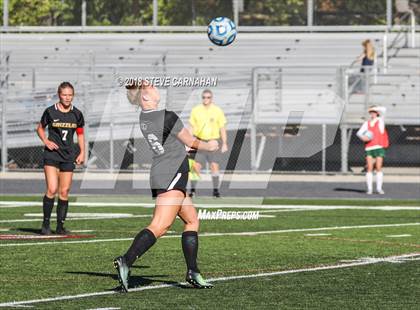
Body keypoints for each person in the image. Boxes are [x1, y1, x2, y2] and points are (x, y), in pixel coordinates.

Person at [113, 81, 218, 292]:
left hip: (166, 171)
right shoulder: (167, 116)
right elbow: (192, 142)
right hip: (171, 173)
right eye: (149, 88)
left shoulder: (146, 117)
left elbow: (176, 142)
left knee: (191, 220)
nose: (154, 88)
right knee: (160, 226)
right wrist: (210, 145)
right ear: (145, 98)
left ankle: (193, 271)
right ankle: (126, 260)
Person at [36, 82, 85, 235]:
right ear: (59, 95)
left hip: (68, 155)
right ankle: (45, 224)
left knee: (64, 192)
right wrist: (46, 141)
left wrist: (82, 152)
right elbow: (40, 128)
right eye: (64, 94)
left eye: (70, 95)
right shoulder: (50, 111)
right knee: (52, 189)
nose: (67, 98)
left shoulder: (77, 114)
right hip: (52, 154)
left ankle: (60, 226)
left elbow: (80, 134)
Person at [188, 89, 228, 198]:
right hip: (199, 142)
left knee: (214, 166)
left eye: (208, 97)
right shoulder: (196, 110)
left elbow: (222, 128)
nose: (206, 99)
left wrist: (224, 143)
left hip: (213, 143)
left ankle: (216, 191)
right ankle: (192, 191)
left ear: (212, 98)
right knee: (196, 167)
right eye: (204, 97)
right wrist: (189, 142)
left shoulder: (217, 111)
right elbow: (191, 127)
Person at [356, 106, 389, 195]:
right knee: (369, 168)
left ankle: (379, 188)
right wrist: (363, 137)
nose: (372, 113)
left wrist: (375, 107)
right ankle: (369, 189)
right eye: (371, 112)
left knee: (378, 167)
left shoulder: (380, 121)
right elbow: (359, 133)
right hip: (369, 147)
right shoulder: (367, 123)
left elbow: (384, 110)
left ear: (377, 113)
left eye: (374, 112)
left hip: (379, 147)